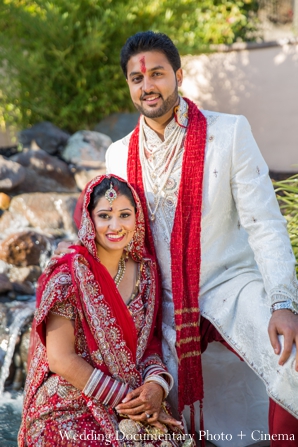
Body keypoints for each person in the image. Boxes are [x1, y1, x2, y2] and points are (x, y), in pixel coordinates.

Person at [55, 32, 298, 446]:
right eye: (136, 78)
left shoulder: (230, 133)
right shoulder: (119, 154)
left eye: (157, 74)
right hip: (161, 303)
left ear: (179, 75)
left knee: (291, 358)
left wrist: (283, 304)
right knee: (142, 409)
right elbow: (117, 242)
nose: (147, 85)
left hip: (231, 285)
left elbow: (266, 224)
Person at [18, 174, 187, 447]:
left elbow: (148, 346)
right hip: (71, 398)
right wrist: (127, 400)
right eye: (105, 215)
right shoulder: (68, 276)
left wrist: (156, 387)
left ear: (137, 219)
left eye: (124, 214)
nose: (116, 225)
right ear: (89, 219)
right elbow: (60, 359)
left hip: (132, 395)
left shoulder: (145, 273)